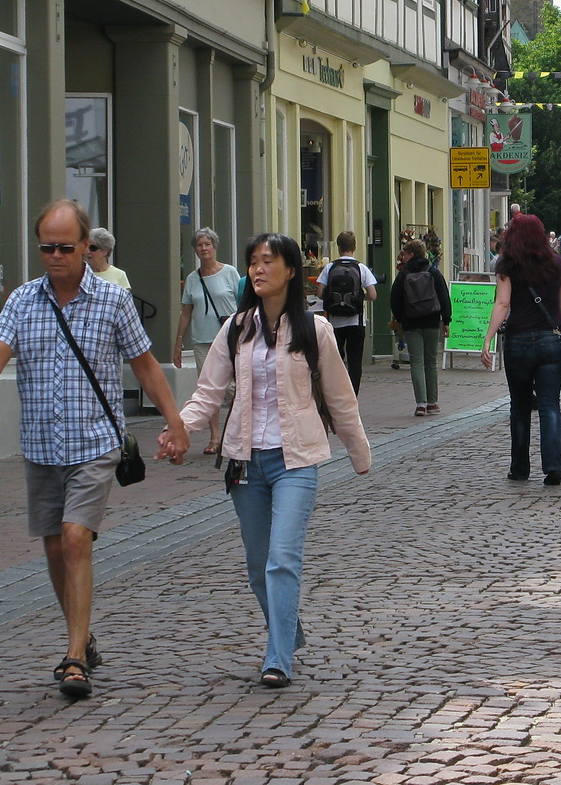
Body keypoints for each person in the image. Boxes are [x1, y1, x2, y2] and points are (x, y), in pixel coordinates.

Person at [0, 200, 190, 700]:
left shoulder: (112, 300)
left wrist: (175, 421)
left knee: (75, 539)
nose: (54, 256)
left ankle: (74, 658)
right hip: (41, 446)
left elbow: (146, 365)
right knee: (54, 546)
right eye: (46, 247)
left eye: (65, 247)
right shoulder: (23, 301)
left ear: (86, 247)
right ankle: (83, 634)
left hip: (95, 443)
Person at [170, 233, 370, 689]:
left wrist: (359, 453)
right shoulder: (237, 328)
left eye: (268, 261)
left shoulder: (314, 329)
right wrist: (179, 429)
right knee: (259, 565)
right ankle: (289, 629)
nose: (258, 270)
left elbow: (340, 398)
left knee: (282, 559)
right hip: (244, 462)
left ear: (291, 271)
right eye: (253, 262)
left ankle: (277, 656)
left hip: (295, 461)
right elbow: (208, 393)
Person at [479, 212, 561, 484]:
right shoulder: (557, 263)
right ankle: (553, 466)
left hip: (518, 341)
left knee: (519, 407)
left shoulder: (507, 263)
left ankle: (520, 468)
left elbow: (503, 304)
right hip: (550, 339)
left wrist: (488, 337)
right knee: (549, 405)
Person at [174, 228, 243, 453]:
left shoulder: (230, 273)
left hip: (228, 338)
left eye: (207, 244)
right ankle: (214, 438)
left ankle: (237, 433)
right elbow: (186, 312)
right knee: (209, 389)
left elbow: (242, 304)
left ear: (215, 247)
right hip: (202, 341)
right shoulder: (193, 279)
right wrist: (178, 342)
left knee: (236, 388)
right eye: (199, 245)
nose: (203, 248)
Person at [389, 238, 451, 415]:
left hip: (411, 322)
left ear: (411, 254)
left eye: (406, 253)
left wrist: (401, 318)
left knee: (416, 361)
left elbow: (395, 299)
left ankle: (421, 404)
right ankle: (433, 403)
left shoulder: (403, 274)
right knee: (430, 361)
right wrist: (446, 320)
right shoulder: (433, 272)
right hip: (432, 321)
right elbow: (444, 296)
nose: (404, 257)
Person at [316, 231, 378, 393]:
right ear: (354, 247)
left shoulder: (330, 268)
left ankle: (334, 394)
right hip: (355, 322)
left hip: (334, 322)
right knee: (355, 362)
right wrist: (357, 298)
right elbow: (373, 295)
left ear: (338, 247)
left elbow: (320, 293)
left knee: (335, 361)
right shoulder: (360, 268)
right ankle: (352, 396)